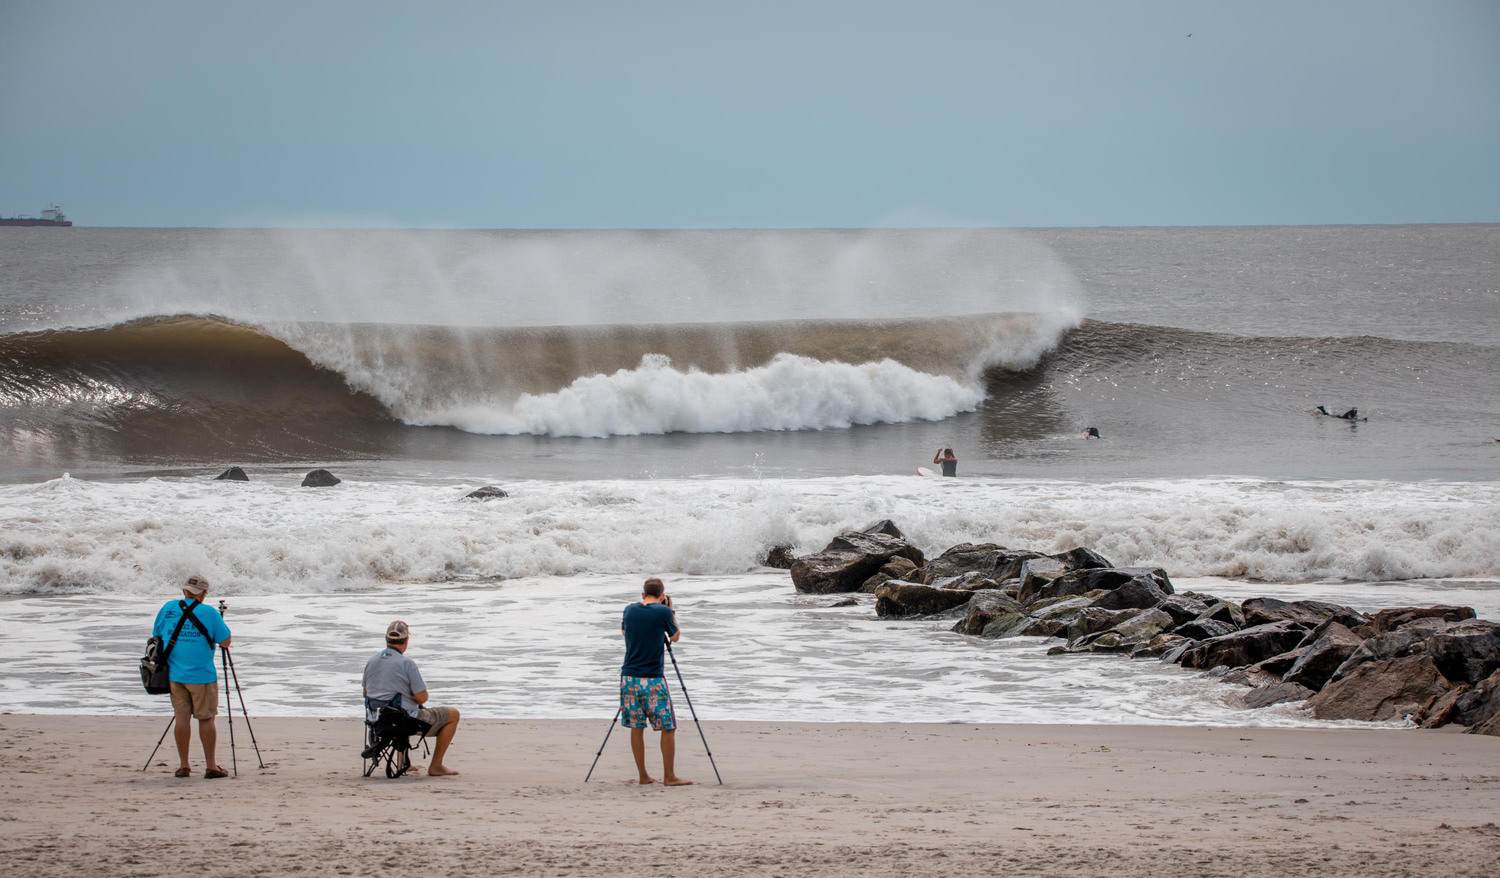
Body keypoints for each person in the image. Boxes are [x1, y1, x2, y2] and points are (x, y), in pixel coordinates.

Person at [151, 574, 232, 779]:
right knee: (206, 719)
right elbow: (225, 641)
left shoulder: (168, 608)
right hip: (202, 676)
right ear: (203, 593)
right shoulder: (209, 612)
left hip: (175, 675)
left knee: (182, 718)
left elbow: (156, 636)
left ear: (185, 590)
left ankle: (184, 765)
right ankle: (211, 766)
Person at [362, 620, 462, 776]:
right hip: (401, 720)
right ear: (407, 640)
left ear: (386, 639)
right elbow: (422, 698)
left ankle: (403, 761)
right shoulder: (407, 663)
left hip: (376, 719)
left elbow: (366, 693)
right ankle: (436, 766)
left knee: (400, 707)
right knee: (452, 714)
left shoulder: (371, 661)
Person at [620, 578, 692, 786]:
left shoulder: (629, 610)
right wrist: (672, 612)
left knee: (637, 726)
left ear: (643, 595)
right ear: (662, 596)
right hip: (652, 679)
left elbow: (625, 632)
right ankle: (669, 776)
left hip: (629, 677)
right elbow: (675, 636)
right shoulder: (664, 612)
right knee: (668, 727)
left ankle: (643, 775)